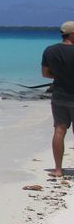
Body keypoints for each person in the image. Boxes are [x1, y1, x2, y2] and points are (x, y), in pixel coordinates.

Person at [41, 21, 74, 177]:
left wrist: (60, 77)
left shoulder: (50, 50)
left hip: (59, 95)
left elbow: (45, 74)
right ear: (72, 34)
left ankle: (58, 170)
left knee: (59, 131)